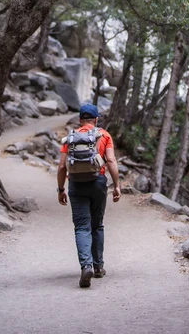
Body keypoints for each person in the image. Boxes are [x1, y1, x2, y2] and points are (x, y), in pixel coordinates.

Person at [57, 103, 121, 288]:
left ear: (79, 120)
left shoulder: (70, 138)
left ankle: (86, 266)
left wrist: (61, 189)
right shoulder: (104, 135)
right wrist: (117, 185)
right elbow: (110, 160)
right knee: (97, 224)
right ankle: (98, 266)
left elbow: (62, 167)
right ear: (96, 119)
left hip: (76, 184)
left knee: (82, 227)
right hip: (98, 182)